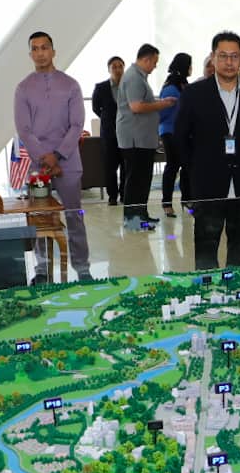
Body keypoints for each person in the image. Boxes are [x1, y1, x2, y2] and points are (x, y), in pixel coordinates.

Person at [175, 30, 240, 269]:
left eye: (234, 56)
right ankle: (208, 291)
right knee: (206, 250)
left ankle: (235, 289)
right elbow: (180, 138)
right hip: (208, 187)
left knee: (239, 249)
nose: (229, 62)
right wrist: (195, 171)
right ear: (213, 57)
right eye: (223, 56)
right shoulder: (194, 94)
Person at [14, 30, 91, 283]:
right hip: (38, 166)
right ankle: (42, 269)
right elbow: (24, 129)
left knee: (74, 216)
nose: (40, 53)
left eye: (44, 47)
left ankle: (82, 268)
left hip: (68, 162)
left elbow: (77, 124)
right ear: (30, 55)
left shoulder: (70, 85)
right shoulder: (23, 88)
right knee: (40, 220)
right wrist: (44, 157)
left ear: (53, 51)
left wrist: (57, 155)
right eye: (35, 49)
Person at [116, 43, 175, 228]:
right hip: (135, 138)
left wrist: (159, 102)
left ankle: (141, 215)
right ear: (146, 59)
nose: (155, 66)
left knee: (143, 179)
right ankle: (133, 220)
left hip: (143, 138)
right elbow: (136, 107)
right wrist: (163, 104)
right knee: (136, 180)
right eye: (154, 62)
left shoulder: (139, 77)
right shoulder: (134, 77)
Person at [158, 53, 193, 217]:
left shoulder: (182, 84)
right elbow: (162, 113)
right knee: (172, 166)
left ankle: (187, 199)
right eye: (189, 65)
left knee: (186, 166)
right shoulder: (171, 87)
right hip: (170, 132)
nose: (191, 68)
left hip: (182, 132)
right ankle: (166, 202)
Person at [91, 56, 124, 206]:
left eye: (120, 66)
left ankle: (125, 194)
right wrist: (106, 118)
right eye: (114, 67)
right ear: (109, 69)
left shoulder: (129, 85)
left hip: (127, 131)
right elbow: (95, 108)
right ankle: (112, 196)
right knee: (110, 166)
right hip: (109, 132)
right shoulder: (101, 87)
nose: (117, 69)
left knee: (126, 165)